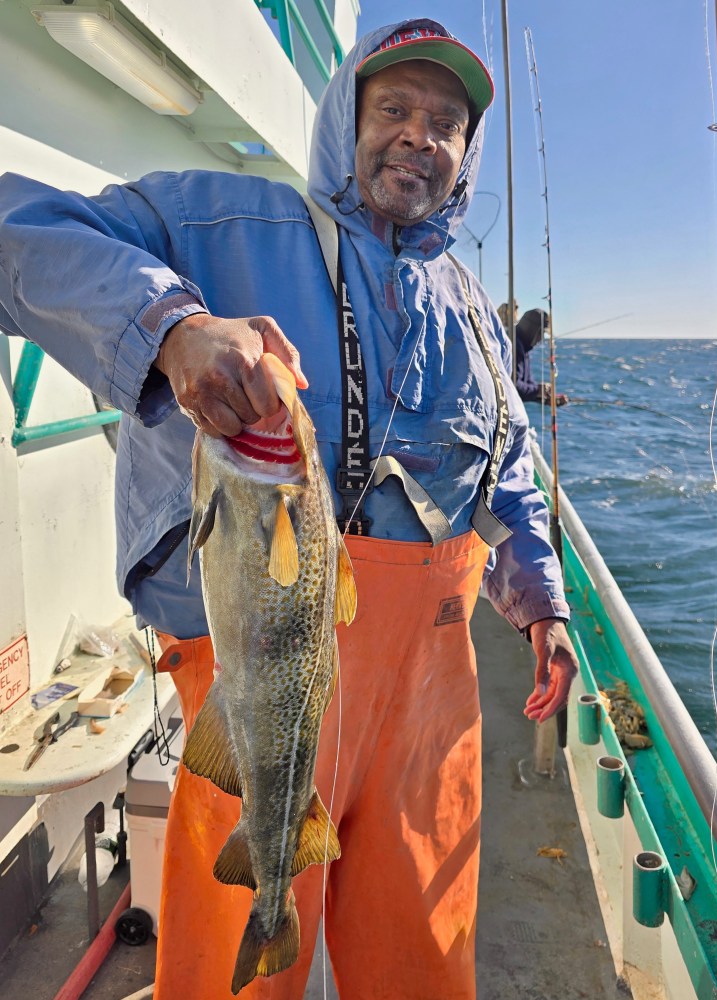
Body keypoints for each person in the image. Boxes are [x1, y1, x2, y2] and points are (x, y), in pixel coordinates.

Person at [0, 19, 579, 1000]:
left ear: (465, 157)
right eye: (392, 108)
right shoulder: (218, 219)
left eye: (445, 122)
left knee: (425, 960)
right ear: (343, 119)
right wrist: (176, 326)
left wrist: (543, 602)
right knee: (229, 966)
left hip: (431, 696)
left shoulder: (477, 312)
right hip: (246, 666)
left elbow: (508, 469)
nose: (417, 136)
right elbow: (21, 227)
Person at [513, 307, 569, 406]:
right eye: (541, 333)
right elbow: (513, 386)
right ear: (532, 329)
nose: (541, 338)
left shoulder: (524, 348)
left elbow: (527, 384)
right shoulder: (514, 346)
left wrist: (545, 397)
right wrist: (538, 390)